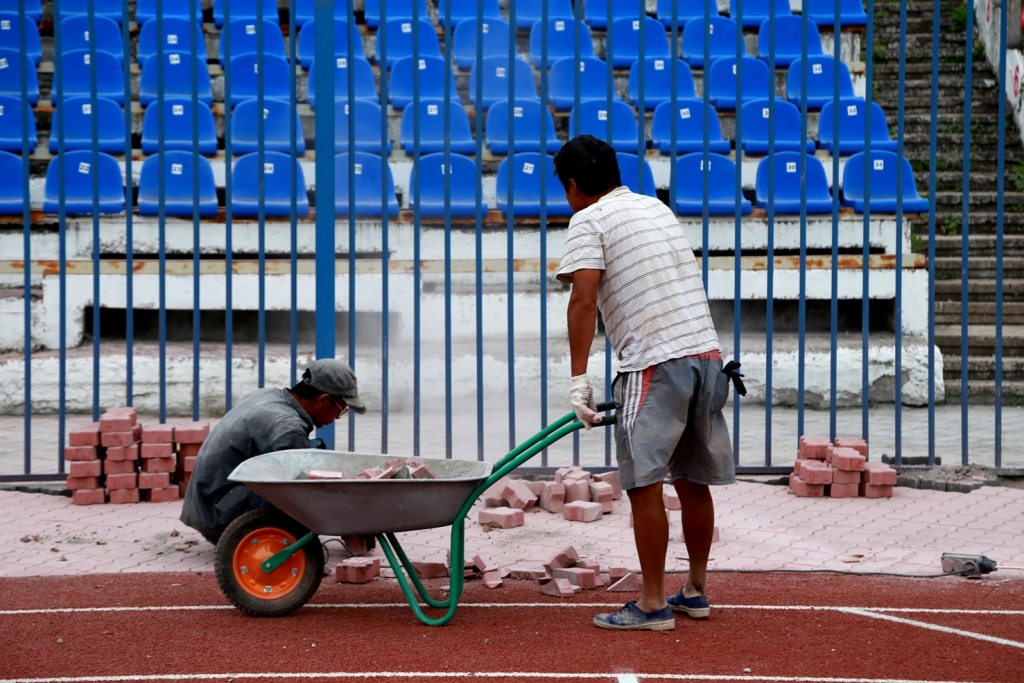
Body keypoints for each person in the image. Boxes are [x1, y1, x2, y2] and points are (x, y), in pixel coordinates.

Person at [554, 135, 738, 631]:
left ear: (572, 186)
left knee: (643, 485)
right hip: (706, 356)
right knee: (693, 479)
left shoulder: (587, 219)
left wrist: (578, 382)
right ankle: (695, 589)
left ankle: (654, 603)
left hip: (653, 363)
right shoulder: (656, 208)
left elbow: (583, 301)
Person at [180, 358, 366, 546]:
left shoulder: (266, 395)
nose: (337, 417)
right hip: (222, 522)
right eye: (341, 410)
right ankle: (277, 543)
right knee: (304, 490)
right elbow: (303, 491)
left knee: (315, 450)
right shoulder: (287, 426)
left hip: (207, 507)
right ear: (324, 400)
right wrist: (349, 519)